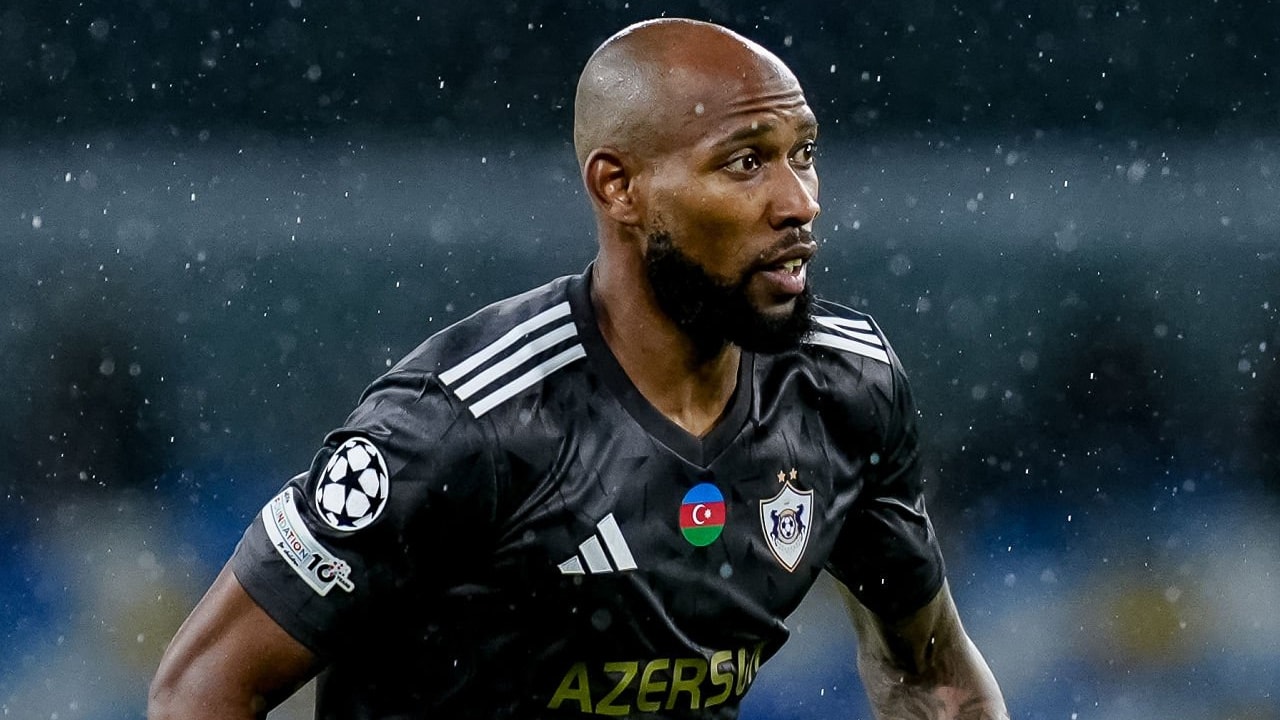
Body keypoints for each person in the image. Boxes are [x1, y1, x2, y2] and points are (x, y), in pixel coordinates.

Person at [148, 17, 1008, 720]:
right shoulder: (463, 426)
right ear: (619, 187)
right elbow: (202, 690)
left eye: (804, 153)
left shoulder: (844, 388)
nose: (800, 201)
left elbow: (932, 682)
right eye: (746, 161)